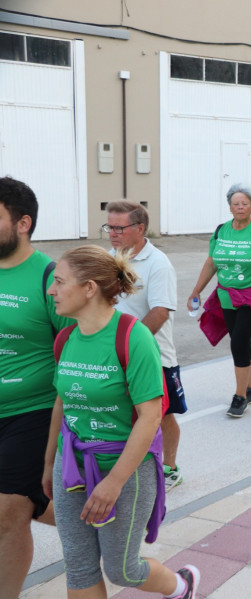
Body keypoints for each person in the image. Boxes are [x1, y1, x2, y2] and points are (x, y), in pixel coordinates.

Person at [45, 246, 199, 599]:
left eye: (59, 281)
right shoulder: (66, 338)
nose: (52, 290)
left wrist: (114, 482)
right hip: (72, 464)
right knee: (79, 564)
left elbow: (151, 416)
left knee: (122, 569)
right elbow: (62, 403)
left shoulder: (133, 336)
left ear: (89, 288)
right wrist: (48, 462)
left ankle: (181, 586)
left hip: (125, 467)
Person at [0, 177, 70, 599]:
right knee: (26, 503)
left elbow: (72, 353)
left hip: (32, 410)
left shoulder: (49, 277)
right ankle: (93, 520)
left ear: (23, 223)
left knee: (9, 512)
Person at [105, 201, 187, 492]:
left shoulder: (157, 263)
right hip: (114, 353)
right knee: (126, 413)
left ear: (139, 229)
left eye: (119, 227)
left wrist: (130, 345)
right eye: (109, 227)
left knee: (162, 414)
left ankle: (170, 467)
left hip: (153, 356)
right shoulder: (108, 258)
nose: (112, 233)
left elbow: (161, 311)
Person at [189, 183, 251, 418]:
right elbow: (211, 262)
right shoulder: (221, 231)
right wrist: (196, 290)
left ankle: (240, 396)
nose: (240, 207)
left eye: (245, 203)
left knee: (239, 343)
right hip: (226, 295)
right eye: (236, 203)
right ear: (230, 206)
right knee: (240, 342)